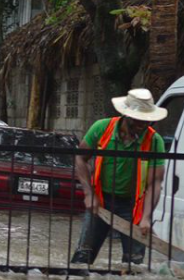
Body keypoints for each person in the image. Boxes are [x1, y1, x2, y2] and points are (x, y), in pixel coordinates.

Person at [71, 88, 168, 265]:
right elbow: (80, 158)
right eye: (138, 120)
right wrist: (89, 194)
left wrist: (146, 217)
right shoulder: (102, 128)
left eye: (146, 120)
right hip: (101, 200)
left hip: (133, 206)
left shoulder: (154, 141)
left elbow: (155, 183)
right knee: (83, 256)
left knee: (134, 263)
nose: (142, 124)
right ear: (126, 115)